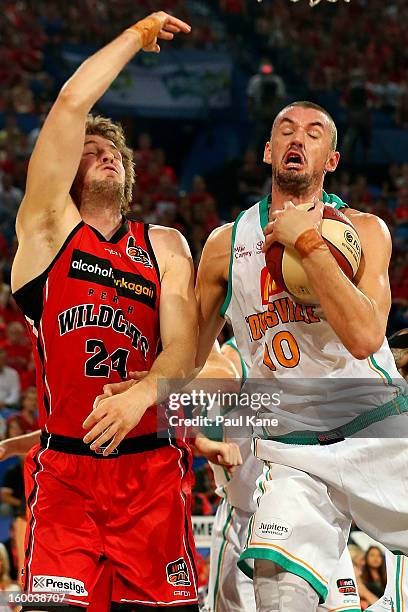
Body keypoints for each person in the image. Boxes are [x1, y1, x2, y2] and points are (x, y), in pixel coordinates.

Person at [9, 10, 213, 612]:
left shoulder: (166, 244)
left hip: (150, 473)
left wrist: (144, 393)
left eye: (113, 152)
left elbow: (182, 348)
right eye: (90, 150)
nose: (103, 155)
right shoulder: (46, 231)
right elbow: (71, 104)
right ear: (63, 169)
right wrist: (135, 36)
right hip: (68, 475)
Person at [195, 100, 408, 612]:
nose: (298, 139)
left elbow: (364, 337)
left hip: (377, 431)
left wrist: (308, 244)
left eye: (314, 133)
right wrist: (152, 400)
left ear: (331, 159)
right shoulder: (227, 246)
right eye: (286, 131)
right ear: (268, 151)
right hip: (293, 451)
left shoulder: (366, 231)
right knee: (276, 584)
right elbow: (192, 360)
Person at [205, 338, 361, 612]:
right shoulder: (240, 353)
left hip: (316, 507)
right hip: (246, 516)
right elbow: (215, 385)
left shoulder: (319, 349)